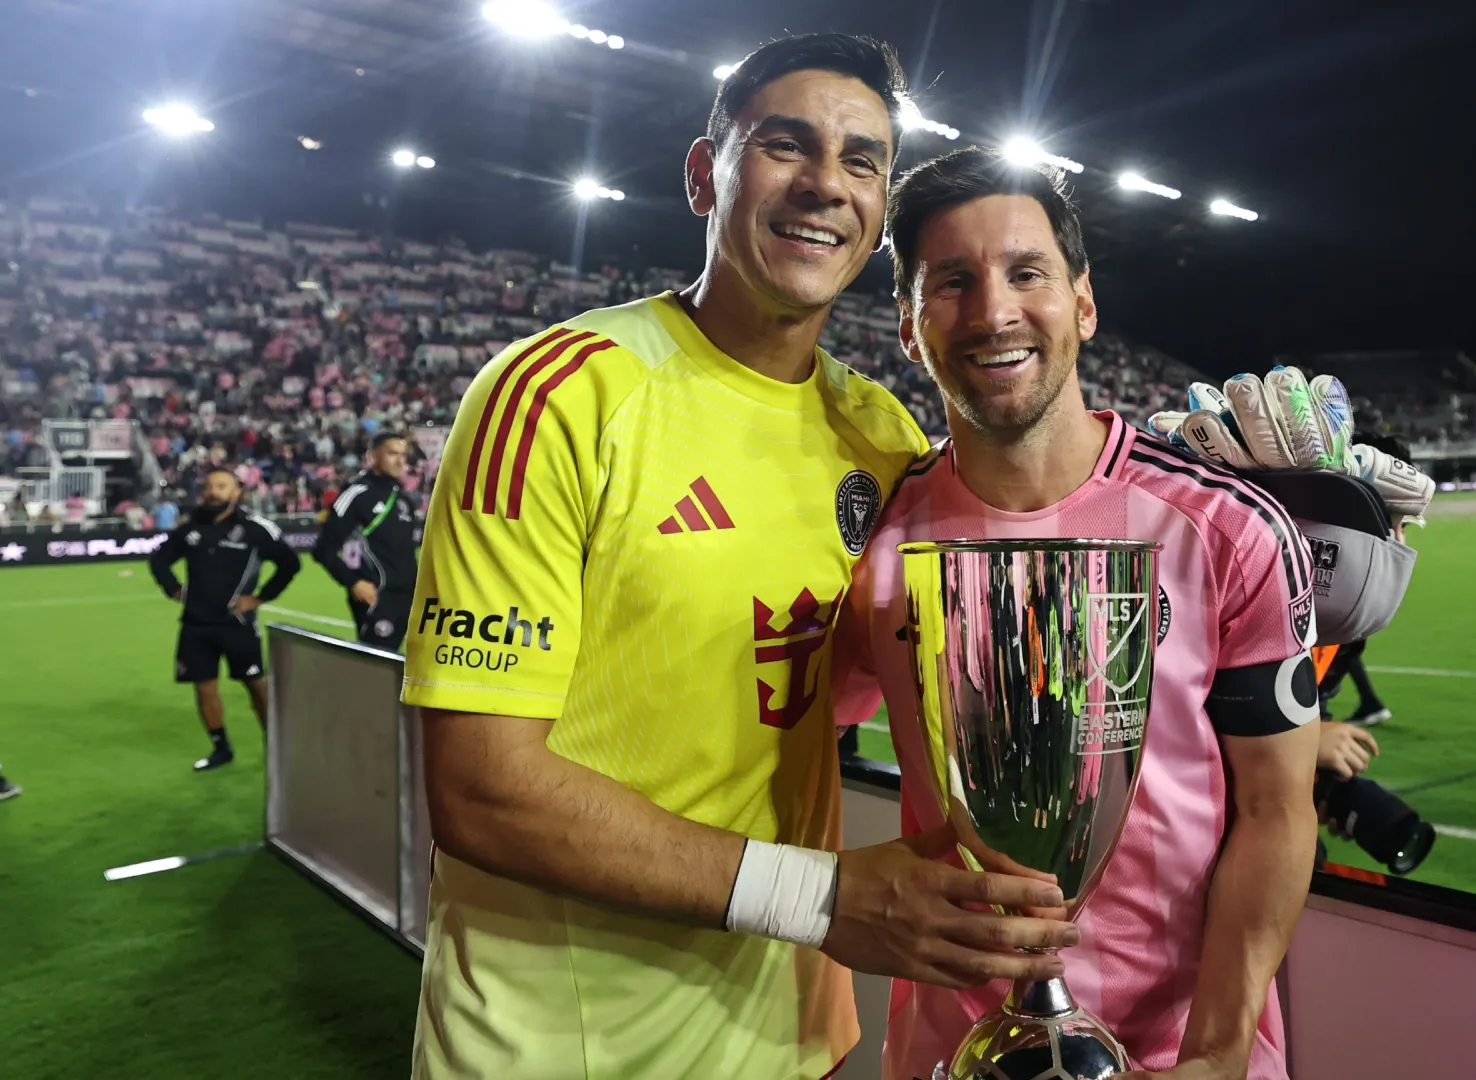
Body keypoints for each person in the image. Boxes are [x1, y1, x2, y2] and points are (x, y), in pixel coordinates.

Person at [399, 35, 1076, 1080]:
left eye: (862, 161)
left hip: (790, 1034)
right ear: (704, 173)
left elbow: (949, 634)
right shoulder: (559, 396)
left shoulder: (880, 435)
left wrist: (1241, 515)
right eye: (785, 145)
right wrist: (821, 896)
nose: (825, 184)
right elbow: (481, 788)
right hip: (562, 1048)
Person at [837, 145, 1323, 1080]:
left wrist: (1219, 1056)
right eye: (952, 282)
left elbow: (1275, 808)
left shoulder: (1225, 525)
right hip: (953, 1053)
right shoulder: (873, 538)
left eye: (1027, 273)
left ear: (1084, 303)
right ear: (907, 326)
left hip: (1179, 1057)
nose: (994, 312)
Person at [148, 467, 301, 771]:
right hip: (196, 624)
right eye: (209, 485)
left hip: (237, 623)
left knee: (256, 684)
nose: (213, 491)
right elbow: (160, 559)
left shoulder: (255, 528)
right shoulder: (191, 528)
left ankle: (277, 745)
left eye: (222, 485)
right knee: (204, 687)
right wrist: (173, 589)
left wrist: (259, 598)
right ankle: (221, 748)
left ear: (236, 492)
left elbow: (289, 564)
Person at [313, 431, 418, 651]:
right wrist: (353, 582)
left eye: (403, 455)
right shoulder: (356, 494)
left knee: (408, 673)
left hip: (410, 598)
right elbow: (323, 549)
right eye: (392, 453)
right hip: (376, 598)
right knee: (375, 674)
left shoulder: (403, 499)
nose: (400, 460)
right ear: (373, 456)